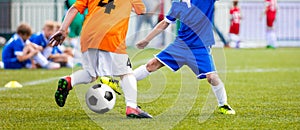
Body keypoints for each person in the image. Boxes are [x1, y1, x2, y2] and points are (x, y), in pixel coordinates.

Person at [49, 0, 152, 118]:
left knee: (91, 74)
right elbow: (142, 11)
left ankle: (69, 81)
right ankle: (132, 108)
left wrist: (62, 30)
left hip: (88, 35)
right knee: (127, 74)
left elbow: (73, 9)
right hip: (111, 35)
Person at [134, 0, 235, 114]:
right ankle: (124, 82)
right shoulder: (178, 4)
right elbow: (164, 23)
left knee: (212, 77)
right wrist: (146, 40)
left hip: (200, 48)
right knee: (151, 65)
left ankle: (223, 105)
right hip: (180, 46)